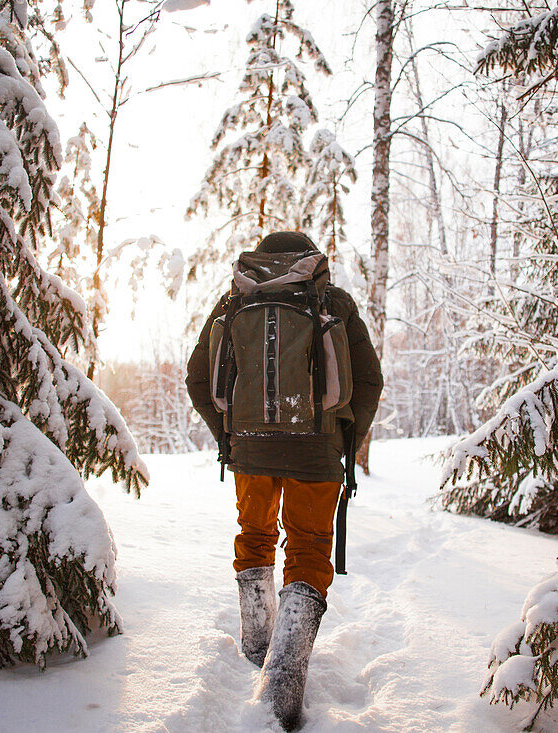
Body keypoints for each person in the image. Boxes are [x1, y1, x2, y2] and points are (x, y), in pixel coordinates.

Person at [186, 231, 383, 731]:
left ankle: (256, 646)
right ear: (310, 258)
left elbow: (196, 377)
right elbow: (368, 380)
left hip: (250, 447)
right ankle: (283, 687)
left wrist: (230, 438)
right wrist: (345, 439)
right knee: (310, 548)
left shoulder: (238, 296)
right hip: (317, 449)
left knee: (254, 537)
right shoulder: (331, 299)